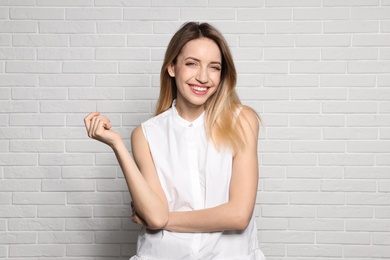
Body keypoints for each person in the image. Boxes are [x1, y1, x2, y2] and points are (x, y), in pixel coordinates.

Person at [84, 21, 266, 260]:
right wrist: (117, 145)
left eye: (214, 67)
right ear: (172, 67)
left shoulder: (242, 120)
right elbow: (155, 217)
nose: (203, 77)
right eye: (191, 64)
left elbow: (239, 215)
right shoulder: (145, 134)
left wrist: (164, 219)